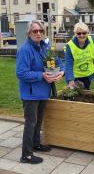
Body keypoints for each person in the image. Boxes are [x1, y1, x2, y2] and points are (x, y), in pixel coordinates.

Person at [16, 20, 64, 164]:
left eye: (40, 31)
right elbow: (21, 73)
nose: (38, 33)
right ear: (29, 34)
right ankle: (26, 155)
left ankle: (36, 144)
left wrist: (61, 72)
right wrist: (41, 75)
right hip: (30, 94)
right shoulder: (25, 50)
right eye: (34, 31)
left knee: (38, 121)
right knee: (31, 123)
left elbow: (57, 62)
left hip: (43, 91)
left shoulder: (45, 47)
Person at [65, 22, 94, 89]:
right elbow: (68, 64)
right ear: (75, 34)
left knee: (89, 95)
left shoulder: (92, 41)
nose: (81, 35)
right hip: (76, 76)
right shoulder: (70, 46)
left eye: (84, 33)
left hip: (89, 75)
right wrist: (70, 80)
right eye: (79, 33)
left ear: (87, 33)